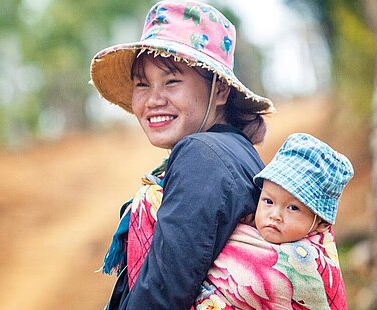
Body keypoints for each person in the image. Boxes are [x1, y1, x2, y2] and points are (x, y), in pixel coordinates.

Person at [90, 0, 274, 309]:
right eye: (142, 84)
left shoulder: (202, 155)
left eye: (172, 81)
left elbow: (160, 296)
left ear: (220, 90)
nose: (154, 100)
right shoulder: (236, 152)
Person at [195, 133, 354, 309]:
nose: (275, 215)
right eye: (268, 201)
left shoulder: (309, 263)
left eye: (293, 208)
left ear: (320, 221)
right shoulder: (241, 227)